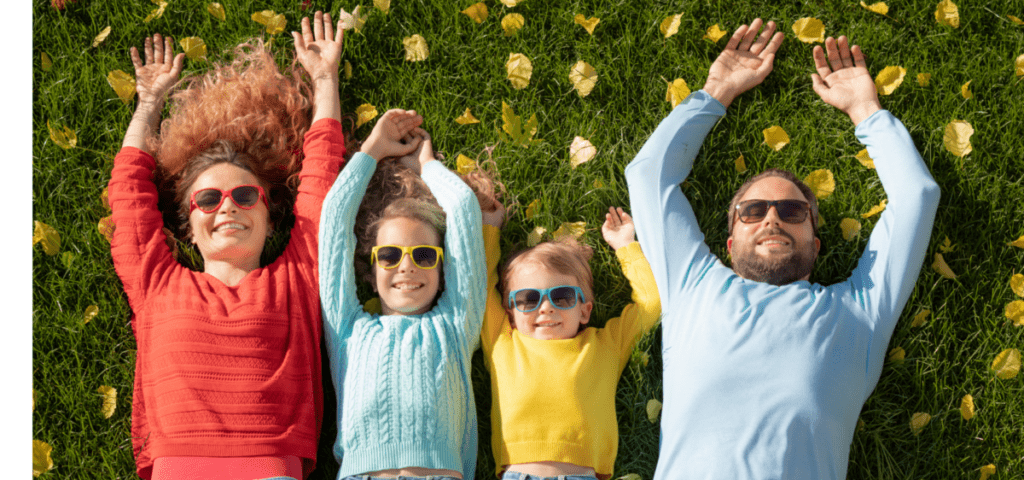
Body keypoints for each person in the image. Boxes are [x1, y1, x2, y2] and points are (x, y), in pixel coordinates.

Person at [624, 19, 940, 479]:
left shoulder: (860, 314)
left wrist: (865, 109)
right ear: (730, 244)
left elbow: (917, 196)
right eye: (752, 211)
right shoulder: (692, 284)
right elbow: (649, 176)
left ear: (816, 243)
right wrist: (716, 91)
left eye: (793, 212)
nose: (772, 217)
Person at [107, 12, 346, 480]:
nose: (227, 208)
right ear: (189, 222)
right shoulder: (156, 281)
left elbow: (321, 183)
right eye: (209, 199)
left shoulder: (297, 277)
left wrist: (325, 79)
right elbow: (128, 193)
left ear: (268, 213)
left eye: (244, 195)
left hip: (271, 466)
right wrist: (149, 102)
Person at [318, 116, 486, 480]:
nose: (406, 267)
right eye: (390, 256)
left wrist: (429, 167)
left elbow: (463, 210)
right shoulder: (346, 329)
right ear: (372, 270)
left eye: (424, 256)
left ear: (444, 272)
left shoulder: (456, 326)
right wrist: (370, 152)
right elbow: (333, 221)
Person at [480, 206, 661, 480]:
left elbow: (651, 303)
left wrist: (625, 245)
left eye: (562, 296)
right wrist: (488, 230)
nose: (545, 308)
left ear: (585, 311)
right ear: (511, 314)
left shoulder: (605, 345)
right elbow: (479, 286)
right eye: (528, 299)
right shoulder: (502, 342)